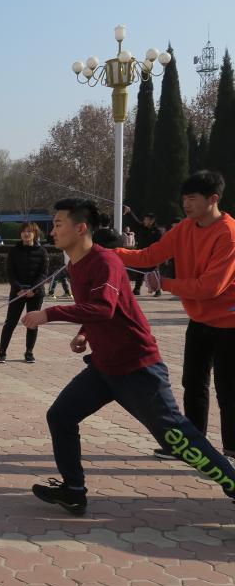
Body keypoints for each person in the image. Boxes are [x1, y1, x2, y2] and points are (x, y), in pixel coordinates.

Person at [21, 198, 235, 515]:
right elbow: (99, 308)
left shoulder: (105, 261)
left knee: (178, 439)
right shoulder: (76, 264)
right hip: (104, 368)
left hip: (138, 368)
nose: (52, 231)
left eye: (58, 224)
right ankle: (74, 491)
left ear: (80, 228)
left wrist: (49, 314)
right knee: (61, 416)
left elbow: (104, 307)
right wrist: (85, 333)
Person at [115, 171, 235, 458]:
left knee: (228, 388)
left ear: (213, 199)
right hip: (200, 319)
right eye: (184, 199)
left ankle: (231, 450)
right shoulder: (184, 228)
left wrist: (165, 283)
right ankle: (194, 445)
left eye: (192, 198)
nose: (186, 204)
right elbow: (149, 255)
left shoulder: (229, 234)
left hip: (230, 323)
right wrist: (106, 252)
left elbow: (210, 287)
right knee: (192, 383)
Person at [0, 222, 48, 364]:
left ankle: (29, 352)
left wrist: (34, 289)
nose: (26, 234)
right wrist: (18, 288)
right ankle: (2, 351)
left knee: (32, 323)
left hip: (35, 293)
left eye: (29, 231)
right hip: (17, 292)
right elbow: (10, 272)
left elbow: (43, 274)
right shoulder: (14, 251)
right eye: (24, 231)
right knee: (10, 322)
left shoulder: (42, 252)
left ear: (35, 234)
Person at [122, 207, 163, 296]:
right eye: (144, 219)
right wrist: (129, 212)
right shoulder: (142, 227)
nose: (144, 221)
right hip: (141, 253)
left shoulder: (157, 232)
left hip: (151, 255)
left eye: (146, 219)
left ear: (152, 221)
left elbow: (160, 245)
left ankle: (158, 290)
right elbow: (135, 221)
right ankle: (137, 289)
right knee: (139, 271)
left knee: (153, 273)